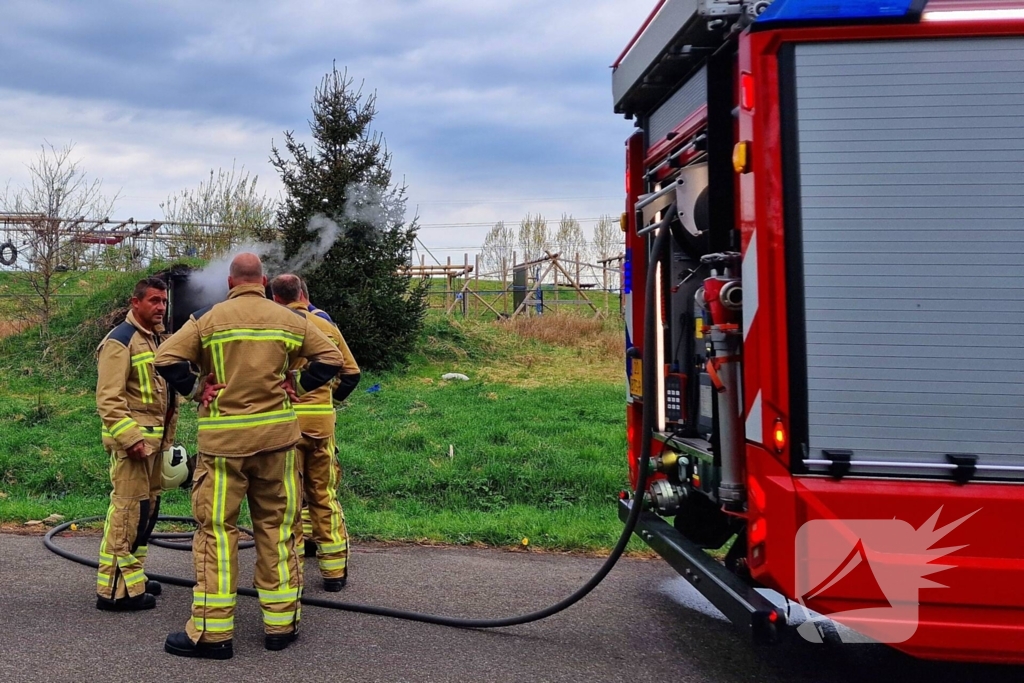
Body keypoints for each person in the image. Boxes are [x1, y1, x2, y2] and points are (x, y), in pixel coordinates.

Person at [154, 253, 345, 660]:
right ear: (264, 282)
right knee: (277, 529)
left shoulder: (207, 319)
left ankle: (212, 633)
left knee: (217, 533)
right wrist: (300, 384)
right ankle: (281, 626)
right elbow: (332, 358)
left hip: (223, 448)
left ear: (230, 283)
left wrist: (196, 388)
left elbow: (165, 357)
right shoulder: (289, 320)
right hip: (277, 443)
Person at [271, 274, 360, 591]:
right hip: (322, 425)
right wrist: (329, 399)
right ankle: (334, 573)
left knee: (289, 502)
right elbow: (351, 373)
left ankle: (293, 574)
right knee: (324, 495)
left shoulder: (275, 325)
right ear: (302, 294)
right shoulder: (326, 326)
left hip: (287, 426)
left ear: (276, 298)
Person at [95, 276, 179, 611]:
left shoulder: (157, 339)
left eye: (164, 301)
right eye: (154, 301)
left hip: (153, 447)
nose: (161, 307)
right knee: (128, 514)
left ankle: (134, 579)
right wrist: (130, 438)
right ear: (136, 303)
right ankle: (114, 592)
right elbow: (109, 400)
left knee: (146, 513)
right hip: (134, 447)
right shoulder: (121, 341)